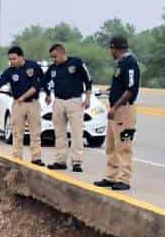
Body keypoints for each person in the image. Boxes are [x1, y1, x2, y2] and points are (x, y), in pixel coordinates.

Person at [0, 46, 46, 166]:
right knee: (17, 132)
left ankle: (36, 158)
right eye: (10, 59)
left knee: (35, 132)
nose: (12, 61)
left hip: (33, 103)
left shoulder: (33, 66)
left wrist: (47, 93)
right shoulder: (10, 71)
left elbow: (42, 81)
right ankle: (17, 157)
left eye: (14, 58)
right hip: (18, 104)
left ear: (21, 57)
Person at [95, 35, 141, 191]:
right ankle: (111, 176)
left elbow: (130, 89)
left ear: (115, 48)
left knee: (123, 146)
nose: (110, 52)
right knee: (112, 145)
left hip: (124, 110)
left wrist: (115, 107)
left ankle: (124, 179)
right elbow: (121, 86)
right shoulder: (120, 64)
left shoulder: (130, 64)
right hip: (115, 110)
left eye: (111, 49)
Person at [43, 43, 92, 173]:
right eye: (51, 57)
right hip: (58, 101)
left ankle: (76, 162)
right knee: (59, 133)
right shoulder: (53, 68)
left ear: (62, 53)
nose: (53, 59)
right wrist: (48, 94)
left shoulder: (76, 63)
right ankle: (60, 161)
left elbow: (88, 79)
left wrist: (87, 97)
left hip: (74, 101)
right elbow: (44, 80)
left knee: (76, 133)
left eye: (55, 56)